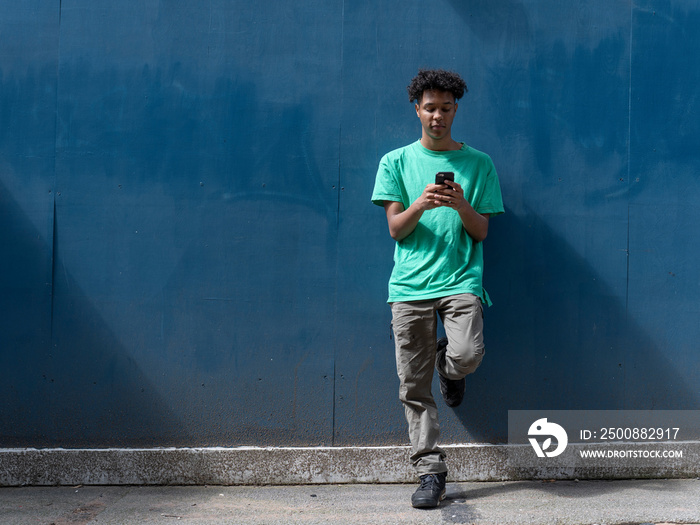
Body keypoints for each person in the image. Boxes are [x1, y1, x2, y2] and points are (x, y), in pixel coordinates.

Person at [371, 68, 504, 508]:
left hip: (460, 279)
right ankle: (430, 471)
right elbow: (395, 229)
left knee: (466, 353)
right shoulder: (395, 162)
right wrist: (420, 204)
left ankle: (449, 371)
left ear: (455, 110)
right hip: (409, 285)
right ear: (417, 109)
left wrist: (461, 203)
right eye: (430, 108)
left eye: (446, 108)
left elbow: (482, 231)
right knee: (412, 384)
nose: (438, 116)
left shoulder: (479, 163)